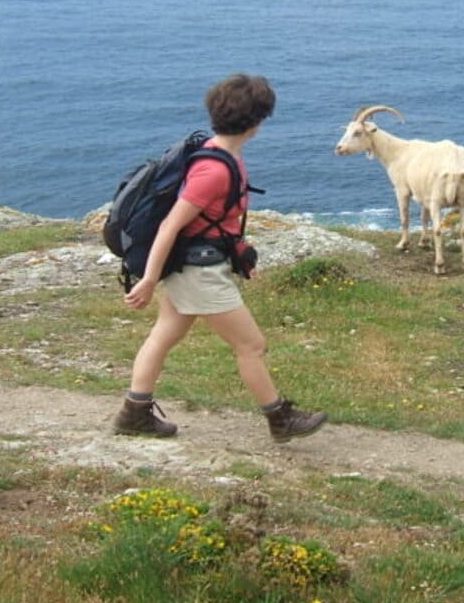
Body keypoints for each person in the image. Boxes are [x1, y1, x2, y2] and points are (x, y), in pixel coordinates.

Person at [113, 73, 328, 444]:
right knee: (252, 346)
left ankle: (134, 412)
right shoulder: (214, 170)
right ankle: (280, 419)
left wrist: (239, 254)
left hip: (195, 266)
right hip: (199, 272)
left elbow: (215, 221)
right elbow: (169, 226)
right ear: (257, 122)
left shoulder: (220, 153)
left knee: (164, 335)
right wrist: (148, 280)